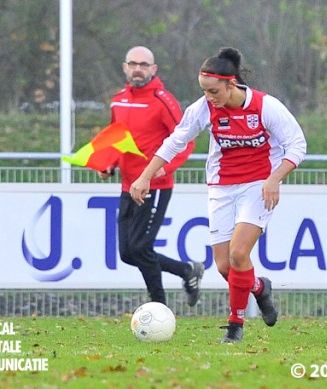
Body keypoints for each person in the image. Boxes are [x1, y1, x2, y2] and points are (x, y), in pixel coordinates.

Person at [129, 47, 307, 343]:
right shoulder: (203, 108)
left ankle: (235, 326)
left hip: (258, 185)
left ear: (231, 83)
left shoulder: (266, 106)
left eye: (214, 91)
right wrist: (145, 176)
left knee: (239, 254)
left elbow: (297, 145)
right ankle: (260, 288)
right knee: (226, 267)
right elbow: (175, 141)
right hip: (221, 187)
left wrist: (275, 179)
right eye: (205, 91)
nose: (210, 97)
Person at [98, 46, 204, 307]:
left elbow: (185, 141)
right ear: (125, 67)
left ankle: (158, 307)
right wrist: (109, 163)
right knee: (126, 253)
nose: (138, 69)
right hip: (127, 186)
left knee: (140, 248)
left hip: (155, 186)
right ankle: (186, 271)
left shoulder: (162, 100)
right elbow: (117, 137)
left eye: (144, 65)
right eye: (133, 64)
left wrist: (163, 168)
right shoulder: (118, 99)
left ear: (153, 69)